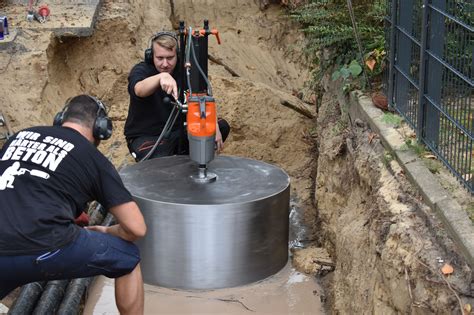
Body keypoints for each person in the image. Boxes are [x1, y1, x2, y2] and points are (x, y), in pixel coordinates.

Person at [0, 95, 147, 315]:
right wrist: (106, 230)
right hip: (48, 246)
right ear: (100, 129)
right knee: (127, 257)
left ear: (61, 119)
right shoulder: (92, 157)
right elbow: (137, 228)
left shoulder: (19, 137)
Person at [125, 31, 230, 161]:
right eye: (160, 58)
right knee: (160, 156)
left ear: (178, 56)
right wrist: (161, 77)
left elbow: (203, 98)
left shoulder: (186, 71)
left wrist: (213, 127)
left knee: (221, 126)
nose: (164, 64)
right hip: (148, 136)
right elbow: (138, 89)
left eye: (170, 58)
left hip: (179, 131)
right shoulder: (142, 70)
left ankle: (191, 161)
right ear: (151, 55)